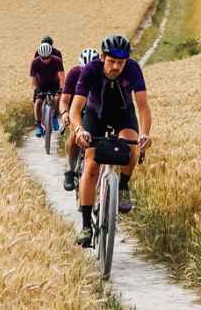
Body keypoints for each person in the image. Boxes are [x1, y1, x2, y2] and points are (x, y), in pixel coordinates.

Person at [69, 34, 151, 246]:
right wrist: (79, 130)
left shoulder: (133, 69)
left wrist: (145, 134)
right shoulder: (91, 70)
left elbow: (143, 107)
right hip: (95, 115)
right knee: (91, 166)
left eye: (121, 63)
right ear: (103, 57)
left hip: (124, 115)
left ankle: (123, 186)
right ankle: (86, 226)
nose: (116, 67)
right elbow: (75, 109)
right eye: (112, 61)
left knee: (130, 149)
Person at [60, 47, 98, 190]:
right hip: (77, 112)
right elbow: (64, 99)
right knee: (74, 137)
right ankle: (70, 171)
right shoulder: (74, 73)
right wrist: (64, 113)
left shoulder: (102, 74)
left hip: (96, 112)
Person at [30, 36, 65, 136]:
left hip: (54, 83)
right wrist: (36, 90)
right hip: (41, 84)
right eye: (43, 58)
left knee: (57, 98)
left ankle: (54, 116)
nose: (45, 60)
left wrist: (61, 88)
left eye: (48, 57)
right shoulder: (35, 62)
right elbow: (33, 79)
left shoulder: (57, 59)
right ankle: (38, 125)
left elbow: (62, 76)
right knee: (38, 102)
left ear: (51, 54)